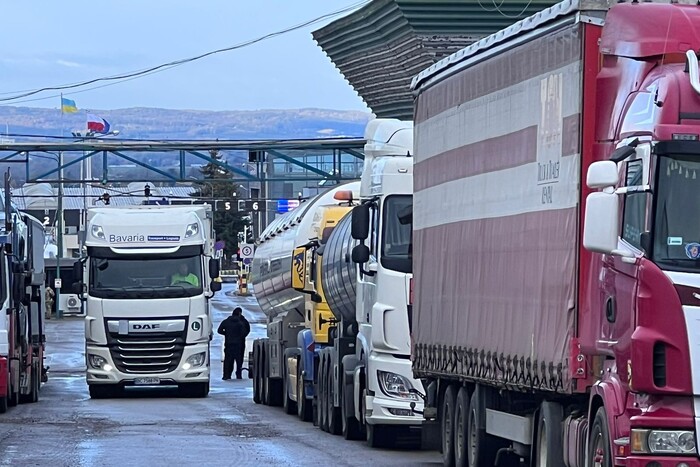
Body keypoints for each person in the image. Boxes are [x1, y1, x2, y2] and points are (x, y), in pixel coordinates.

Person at [217, 307, 250, 380]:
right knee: (239, 360)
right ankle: (238, 374)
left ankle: (226, 375)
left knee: (228, 360)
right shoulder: (242, 322)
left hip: (229, 344)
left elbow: (219, 330)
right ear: (240, 313)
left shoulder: (226, 321)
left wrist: (226, 333)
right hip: (239, 344)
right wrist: (241, 337)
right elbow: (245, 332)